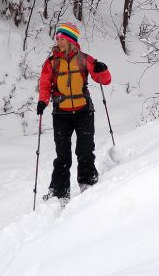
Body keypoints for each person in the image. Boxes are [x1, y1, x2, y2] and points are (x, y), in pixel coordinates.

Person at [37, 22, 111, 204]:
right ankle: (59, 192)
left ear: (70, 40)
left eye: (61, 38)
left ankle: (88, 182)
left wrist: (103, 69)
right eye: (57, 38)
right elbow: (45, 84)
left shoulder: (84, 59)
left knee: (85, 150)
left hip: (84, 112)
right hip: (61, 114)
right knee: (62, 154)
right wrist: (42, 101)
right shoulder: (51, 62)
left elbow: (104, 80)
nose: (58, 41)